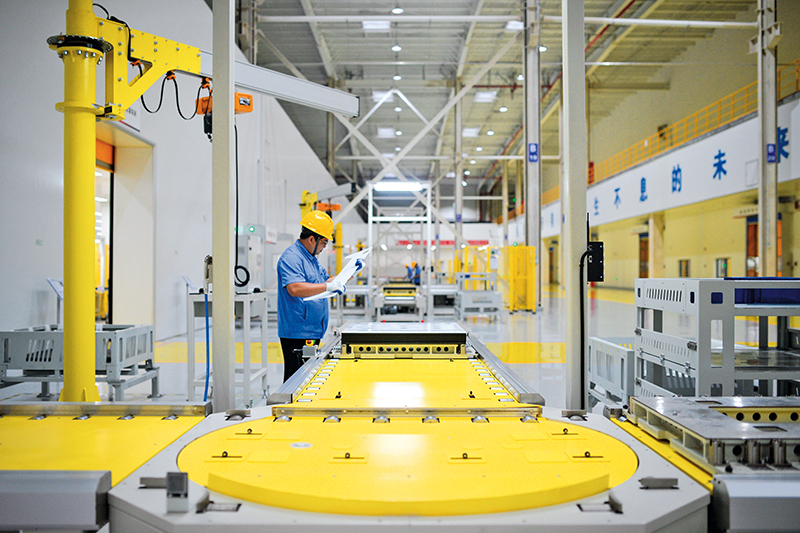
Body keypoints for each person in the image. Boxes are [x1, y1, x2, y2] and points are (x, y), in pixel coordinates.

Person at [277, 211, 351, 382]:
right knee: (294, 381)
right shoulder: (292, 257)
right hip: (297, 333)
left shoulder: (311, 259)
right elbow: (295, 288)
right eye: (324, 242)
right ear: (312, 239)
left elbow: (326, 281)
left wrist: (349, 273)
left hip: (312, 330)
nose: (324, 247)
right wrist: (328, 286)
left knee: (305, 380)